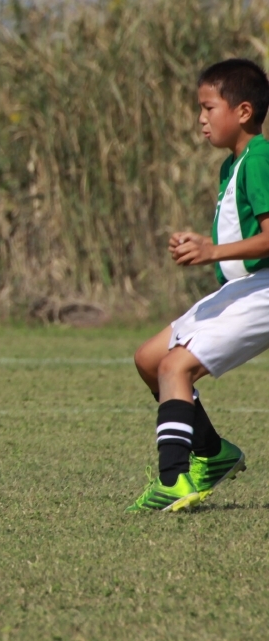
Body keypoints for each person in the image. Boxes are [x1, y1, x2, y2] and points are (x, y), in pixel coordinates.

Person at [128, 58, 269, 512]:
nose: (201, 119)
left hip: (263, 290)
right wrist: (203, 245)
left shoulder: (260, 159)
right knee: (149, 359)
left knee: (175, 367)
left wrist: (211, 252)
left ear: (243, 111)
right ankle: (213, 452)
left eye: (208, 108)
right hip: (244, 287)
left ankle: (173, 480)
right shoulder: (234, 164)